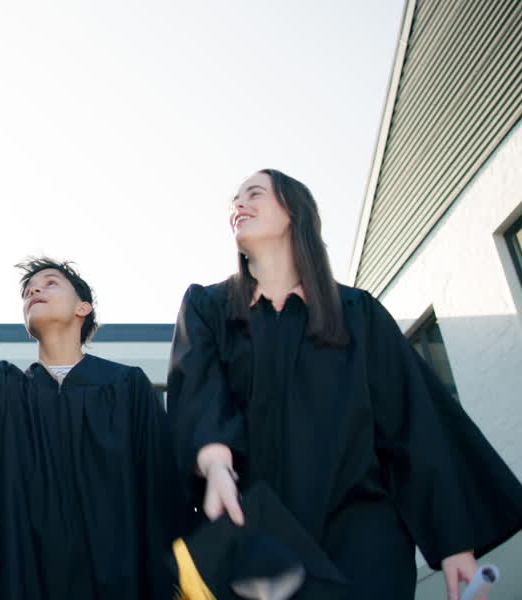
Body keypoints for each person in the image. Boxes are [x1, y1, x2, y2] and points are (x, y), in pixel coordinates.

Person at [168, 168, 522, 599]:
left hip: (362, 532)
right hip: (260, 534)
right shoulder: (208, 309)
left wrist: (454, 545)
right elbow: (200, 392)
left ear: (294, 211)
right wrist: (216, 465)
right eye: (234, 200)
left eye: (254, 193)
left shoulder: (358, 313)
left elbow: (414, 423)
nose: (237, 205)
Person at [0, 185, 182, 599]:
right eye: (28, 290)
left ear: (82, 308)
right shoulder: (5, 392)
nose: (35, 291)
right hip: (27, 581)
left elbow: (163, 492)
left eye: (50, 283)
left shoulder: (128, 389)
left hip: (118, 581)